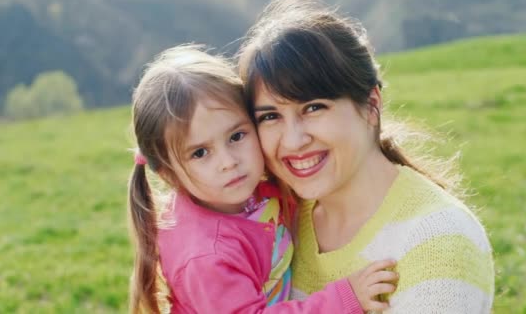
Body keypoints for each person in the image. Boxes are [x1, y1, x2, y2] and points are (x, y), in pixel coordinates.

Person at [237, 0, 495, 313]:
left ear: (371, 105)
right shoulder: (276, 222)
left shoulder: (439, 239)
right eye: (270, 116)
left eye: (314, 107)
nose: (292, 141)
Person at [127, 44, 399, 313]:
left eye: (236, 136)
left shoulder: (254, 191)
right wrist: (343, 298)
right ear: (168, 173)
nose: (228, 161)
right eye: (200, 153)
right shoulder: (206, 256)